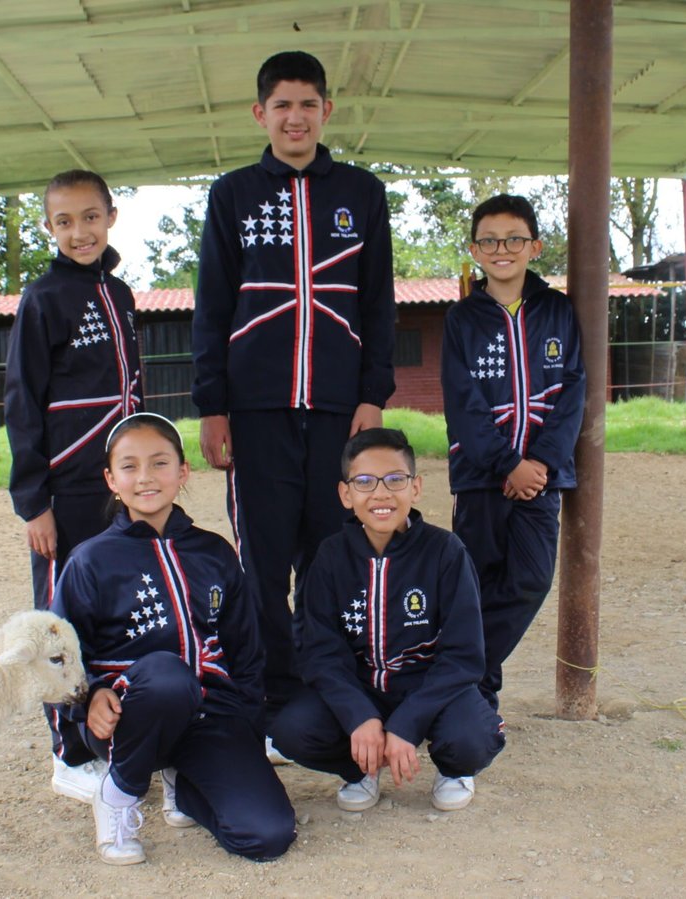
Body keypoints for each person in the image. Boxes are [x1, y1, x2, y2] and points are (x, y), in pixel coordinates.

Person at [191, 50, 397, 725]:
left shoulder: (362, 194)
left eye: (308, 103)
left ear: (326, 111)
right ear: (261, 114)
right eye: (282, 105)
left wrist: (373, 394)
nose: (296, 116)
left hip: (341, 410)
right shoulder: (233, 195)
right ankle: (274, 697)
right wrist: (212, 405)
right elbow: (213, 307)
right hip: (256, 412)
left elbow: (379, 305)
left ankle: (330, 685)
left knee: (334, 552)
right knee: (263, 561)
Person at [49, 412, 296, 865]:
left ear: (183, 472)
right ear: (110, 479)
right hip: (129, 718)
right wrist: (88, 700)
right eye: (129, 466)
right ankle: (120, 792)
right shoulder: (90, 562)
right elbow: (57, 658)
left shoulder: (215, 552)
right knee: (167, 676)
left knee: (268, 835)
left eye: (160, 463)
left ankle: (183, 783)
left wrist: (245, 726)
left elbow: (246, 650)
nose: (145, 477)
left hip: (210, 717)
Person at [270, 428, 504, 813]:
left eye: (395, 479)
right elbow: (319, 651)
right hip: (362, 689)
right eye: (364, 482)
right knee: (292, 730)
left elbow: (463, 655)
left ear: (415, 487)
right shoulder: (329, 557)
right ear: (346, 494)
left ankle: (453, 769)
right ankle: (361, 767)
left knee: (471, 737)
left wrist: (408, 723)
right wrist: (359, 716)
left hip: (428, 689)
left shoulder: (446, 551)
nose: (381, 493)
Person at [3, 169, 143, 796]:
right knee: (63, 618)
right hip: (69, 491)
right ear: (48, 228)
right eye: (64, 221)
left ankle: (121, 732)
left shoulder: (121, 294)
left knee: (122, 606)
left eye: (90, 216)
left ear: (110, 216)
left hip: (124, 486)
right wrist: (35, 501)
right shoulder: (42, 298)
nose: (79, 231)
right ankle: (68, 751)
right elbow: (23, 401)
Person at [440, 194, 586, 711]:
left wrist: (539, 464)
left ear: (534, 247)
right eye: (490, 240)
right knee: (474, 588)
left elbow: (572, 391)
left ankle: (456, 681)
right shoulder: (462, 319)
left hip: (542, 479)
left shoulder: (559, 310)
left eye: (514, 239)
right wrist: (506, 463)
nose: (502, 249)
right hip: (482, 477)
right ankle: (478, 699)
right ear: (476, 250)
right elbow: (463, 404)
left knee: (530, 580)